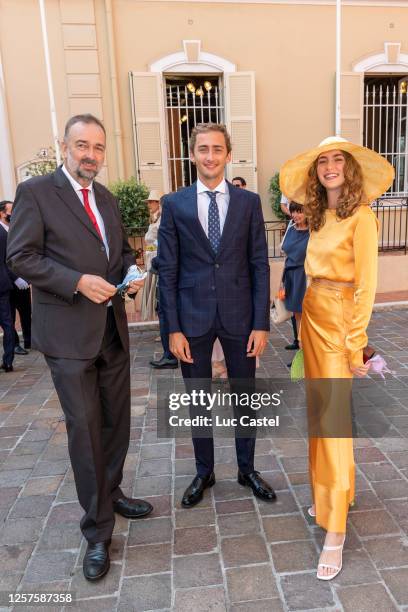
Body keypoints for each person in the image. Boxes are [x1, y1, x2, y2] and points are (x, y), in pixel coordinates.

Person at [7, 114, 153, 582]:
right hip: (68, 336)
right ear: (64, 146)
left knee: (115, 423)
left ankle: (110, 493)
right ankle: (96, 531)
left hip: (111, 329)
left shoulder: (106, 198)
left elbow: (120, 255)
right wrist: (75, 282)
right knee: (85, 430)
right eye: (81, 145)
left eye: (98, 147)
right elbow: (21, 257)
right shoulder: (35, 193)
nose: (90, 154)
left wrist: (128, 278)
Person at [280, 136, 394, 581]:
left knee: (334, 424)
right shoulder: (320, 216)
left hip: (341, 324)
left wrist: (355, 343)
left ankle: (336, 531)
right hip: (312, 319)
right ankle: (331, 498)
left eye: (337, 160)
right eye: (323, 160)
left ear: (349, 169)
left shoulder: (362, 217)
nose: (330, 166)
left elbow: (367, 285)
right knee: (319, 416)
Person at [158, 122, 276, 508]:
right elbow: (169, 271)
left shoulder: (248, 202)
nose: (210, 156)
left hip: (241, 317)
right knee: (197, 398)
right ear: (192, 155)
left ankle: (247, 469)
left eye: (217, 149)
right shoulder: (174, 204)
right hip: (191, 318)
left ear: (228, 154)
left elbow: (259, 264)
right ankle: (203, 471)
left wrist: (261, 322)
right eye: (203, 149)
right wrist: (172, 329)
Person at [0, 200, 32, 355]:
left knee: (26, 312)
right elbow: (4, 260)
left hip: (23, 279)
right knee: (10, 317)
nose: (14, 213)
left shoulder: (17, 229)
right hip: (8, 281)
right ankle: (14, 345)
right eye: (11, 210)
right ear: (2, 213)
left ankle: (29, 340)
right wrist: (15, 278)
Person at [281, 201, 309, 362]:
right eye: (293, 211)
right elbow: (285, 251)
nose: (296, 215)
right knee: (297, 316)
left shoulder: (314, 231)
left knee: (307, 317)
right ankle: (301, 353)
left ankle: (309, 355)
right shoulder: (291, 228)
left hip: (305, 276)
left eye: (300, 211)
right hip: (290, 275)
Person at [0, 202, 16, 371]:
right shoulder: (3, 234)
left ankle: (8, 360)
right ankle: (8, 361)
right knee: (7, 324)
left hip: (3, 285)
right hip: (3, 284)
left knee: (7, 324)